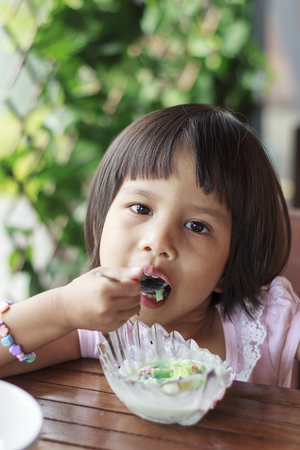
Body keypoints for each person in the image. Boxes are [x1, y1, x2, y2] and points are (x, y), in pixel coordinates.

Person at [1, 103, 299, 388]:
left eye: (197, 226)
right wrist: (62, 308)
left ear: (229, 267)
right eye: (141, 209)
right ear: (100, 223)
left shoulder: (270, 325)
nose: (158, 241)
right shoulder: (93, 325)